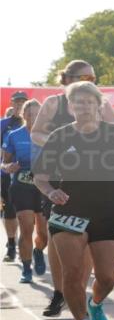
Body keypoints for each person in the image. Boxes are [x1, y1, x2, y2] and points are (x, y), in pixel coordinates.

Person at [31, 82, 114, 320]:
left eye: (89, 102)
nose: (84, 106)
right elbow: (40, 177)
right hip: (69, 210)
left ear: (98, 105)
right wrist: (50, 192)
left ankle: (96, 302)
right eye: (79, 102)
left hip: (108, 211)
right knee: (72, 272)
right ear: (71, 106)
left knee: (107, 278)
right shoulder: (60, 136)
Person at [31, 60, 114, 317]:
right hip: (58, 177)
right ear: (67, 79)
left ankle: (79, 289)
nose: (90, 81)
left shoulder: (98, 102)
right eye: (84, 77)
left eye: (93, 77)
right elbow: (36, 133)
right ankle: (60, 292)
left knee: (88, 237)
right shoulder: (54, 103)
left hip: (93, 179)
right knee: (58, 237)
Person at [2, 99, 48, 282]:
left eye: (37, 114)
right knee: (27, 227)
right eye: (30, 114)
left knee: (43, 233)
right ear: (24, 115)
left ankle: (38, 251)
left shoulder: (49, 135)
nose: (33, 117)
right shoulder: (14, 135)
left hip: (44, 186)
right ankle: (26, 268)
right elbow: (4, 162)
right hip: (21, 185)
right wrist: (8, 166)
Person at [1, 91, 29, 262]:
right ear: (12, 103)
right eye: (17, 102)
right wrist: (6, 164)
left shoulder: (37, 123)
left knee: (29, 213)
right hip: (7, 174)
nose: (20, 105)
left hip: (32, 174)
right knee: (10, 210)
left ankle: (30, 245)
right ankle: (11, 245)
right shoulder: (4, 124)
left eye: (23, 102)